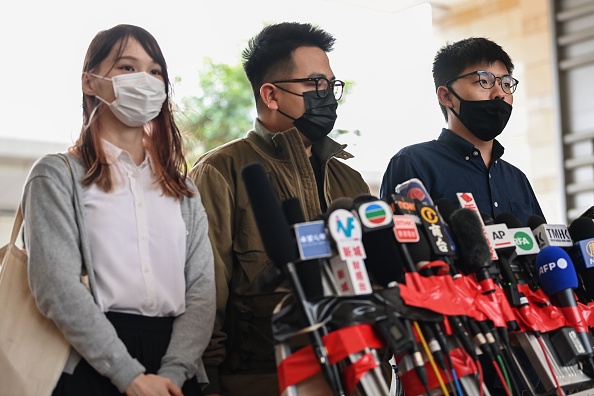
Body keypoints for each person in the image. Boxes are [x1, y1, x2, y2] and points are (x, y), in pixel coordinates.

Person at [21, 24, 215, 396]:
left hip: (176, 360)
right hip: (88, 358)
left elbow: (202, 290)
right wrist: (129, 375)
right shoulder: (56, 175)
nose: (145, 79)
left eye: (155, 71)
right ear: (89, 82)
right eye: (127, 67)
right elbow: (55, 285)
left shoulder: (183, 188)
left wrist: (174, 372)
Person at [189, 22, 370, 396]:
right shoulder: (221, 171)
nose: (328, 97)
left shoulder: (350, 180)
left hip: (354, 374)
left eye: (331, 85)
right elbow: (205, 292)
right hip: (258, 379)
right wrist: (206, 382)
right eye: (314, 84)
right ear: (270, 95)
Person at [380, 37, 545, 226]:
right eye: (484, 81)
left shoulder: (517, 179)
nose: (500, 93)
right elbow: (399, 246)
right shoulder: (414, 163)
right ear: (446, 96)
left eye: (506, 83)